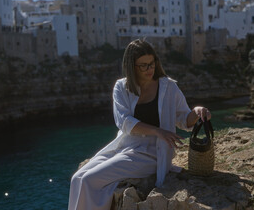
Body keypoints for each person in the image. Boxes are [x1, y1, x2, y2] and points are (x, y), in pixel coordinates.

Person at [68, 39, 212, 210]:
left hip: (153, 152)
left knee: (89, 179)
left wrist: (197, 112)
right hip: (126, 146)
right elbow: (124, 122)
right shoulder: (121, 87)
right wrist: (158, 131)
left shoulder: (168, 87)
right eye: (143, 65)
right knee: (77, 178)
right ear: (131, 66)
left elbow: (183, 119)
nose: (149, 69)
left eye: (151, 63)